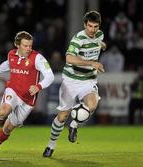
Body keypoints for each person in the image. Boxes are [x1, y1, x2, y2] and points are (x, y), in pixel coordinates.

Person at [0, 31, 54, 159]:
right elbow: (7, 64)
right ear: (17, 45)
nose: (29, 49)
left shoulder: (38, 58)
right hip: (13, 90)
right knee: (4, 110)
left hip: (27, 101)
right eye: (25, 46)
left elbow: (50, 76)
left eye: (30, 46)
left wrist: (38, 86)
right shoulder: (11, 54)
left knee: (8, 128)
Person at [43, 11, 106, 157]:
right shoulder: (78, 39)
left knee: (92, 105)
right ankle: (51, 145)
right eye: (90, 26)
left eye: (95, 26)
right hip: (71, 81)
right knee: (62, 116)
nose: (93, 29)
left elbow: (99, 42)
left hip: (88, 80)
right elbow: (69, 59)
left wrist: (101, 45)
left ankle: (74, 125)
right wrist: (92, 63)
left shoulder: (99, 35)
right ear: (85, 25)